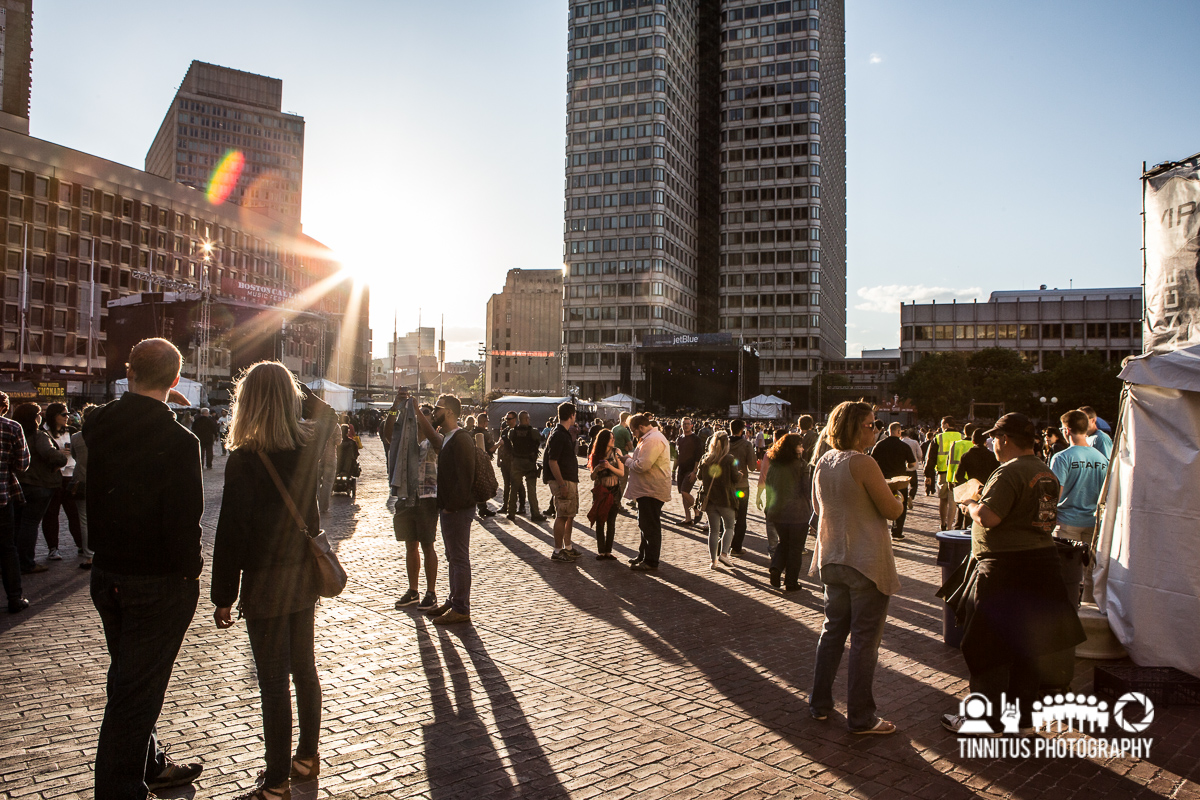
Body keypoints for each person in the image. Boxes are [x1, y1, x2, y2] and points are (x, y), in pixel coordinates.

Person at [85, 338, 205, 797]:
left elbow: (107, 412)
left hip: (108, 573)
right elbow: (185, 521)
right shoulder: (178, 440)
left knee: (131, 677)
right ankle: (120, 788)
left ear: (129, 371)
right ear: (175, 381)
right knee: (135, 693)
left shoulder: (99, 423)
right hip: (157, 581)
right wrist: (190, 572)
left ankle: (150, 762)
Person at [212, 362, 332, 799]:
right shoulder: (306, 444)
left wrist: (223, 594)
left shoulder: (245, 459)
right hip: (304, 575)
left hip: (264, 579)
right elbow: (328, 414)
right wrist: (292, 387)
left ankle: (276, 779)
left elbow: (231, 532)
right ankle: (306, 757)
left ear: (247, 402)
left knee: (273, 681)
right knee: (304, 668)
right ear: (289, 399)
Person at [941, 413, 1086, 736]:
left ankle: (985, 720)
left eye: (995, 438)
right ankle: (1023, 720)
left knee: (986, 644)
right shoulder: (1044, 470)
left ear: (1004, 439)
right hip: (1041, 563)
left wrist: (969, 503)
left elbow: (990, 517)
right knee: (1027, 644)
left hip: (1005, 567)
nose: (992, 443)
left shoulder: (1009, 472)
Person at [810, 401, 904, 735]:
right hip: (864, 559)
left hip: (832, 556)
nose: (875, 429)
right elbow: (891, 510)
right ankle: (861, 716)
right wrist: (899, 495)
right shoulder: (864, 462)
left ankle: (819, 703)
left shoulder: (823, 461)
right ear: (854, 427)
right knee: (865, 641)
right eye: (870, 424)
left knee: (832, 632)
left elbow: (818, 507)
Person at [423, 394, 476, 625]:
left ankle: (461, 607)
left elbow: (465, 478)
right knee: (452, 557)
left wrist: (451, 507)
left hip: (457, 510)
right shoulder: (448, 438)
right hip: (449, 508)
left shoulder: (461, 438)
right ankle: (454, 600)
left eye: (438, 408)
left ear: (450, 412)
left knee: (459, 558)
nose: (435, 412)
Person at [1050, 409, 1109, 604]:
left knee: (1064, 574)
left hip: (1067, 522)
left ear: (1066, 430)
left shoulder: (1062, 457)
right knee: (1090, 572)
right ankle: (1089, 610)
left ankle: (1065, 613)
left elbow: (1053, 495)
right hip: (1093, 523)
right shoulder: (1102, 459)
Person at [13, 403, 66, 574]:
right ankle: (26, 562)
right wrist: (61, 460)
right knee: (30, 524)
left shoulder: (15, 433)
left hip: (19, 484)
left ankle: (14, 560)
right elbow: (50, 454)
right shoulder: (38, 436)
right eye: (38, 414)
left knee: (18, 524)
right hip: (39, 484)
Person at [763, 432, 812, 590]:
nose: (802, 448)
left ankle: (776, 568)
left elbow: (769, 487)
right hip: (798, 513)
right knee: (796, 548)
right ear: (793, 447)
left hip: (777, 511)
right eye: (800, 445)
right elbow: (806, 489)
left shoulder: (775, 464)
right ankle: (791, 582)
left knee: (783, 543)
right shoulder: (802, 465)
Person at [625, 414, 671, 572]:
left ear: (641, 427)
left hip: (651, 490)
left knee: (650, 525)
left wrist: (627, 460)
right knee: (644, 523)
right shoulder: (649, 438)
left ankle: (651, 561)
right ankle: (643, 555)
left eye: (634, 431)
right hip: (647, 489)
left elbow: (643, 465)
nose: (633, 434)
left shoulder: (653, 439)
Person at [39, 402, 84, 563]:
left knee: (74, 513)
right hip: (54, 478)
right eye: (64, 414)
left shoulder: (72, 431)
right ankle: (53, 548)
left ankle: (81, 544)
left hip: (71, 477)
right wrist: (57, 453)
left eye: (68, 414)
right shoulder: (43, 433)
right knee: (51, 514)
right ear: (54, 416)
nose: (67, 417)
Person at [0, 391, 30, 611]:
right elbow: (22, 463)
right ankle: (14, 598)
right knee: (7, 548)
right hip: (2, 497)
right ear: (4, 407)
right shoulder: (12, 428)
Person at [544, 402, 581, 562]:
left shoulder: (562, 433)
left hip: (568, 479)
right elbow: (553, 461)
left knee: (569, 514)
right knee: (562, 515)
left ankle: (568, 547)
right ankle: (558, 550)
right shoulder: (558, 434)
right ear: (571, 415)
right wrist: (562, 484)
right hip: (563, 480)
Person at [869, 423, 916, 541]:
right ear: (899, 432)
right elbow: (912, 463)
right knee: (901, 505)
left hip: (883, 479)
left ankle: (878, 530)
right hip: (899, 480)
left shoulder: (880, 445)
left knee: (879, 504)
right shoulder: (904, 446)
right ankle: (897, 531)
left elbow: (872, 460)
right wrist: (907, 465)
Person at [698, 430, 737, 570]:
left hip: (710, 500)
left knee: (714, 531)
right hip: (725, 499)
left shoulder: (706, 458)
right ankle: (724, 554)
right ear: (727, 443)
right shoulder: (729, 459)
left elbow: (699, 477)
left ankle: (713, 561)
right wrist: (739, 474)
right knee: (729, 527)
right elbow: (735, 478)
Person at [587, 428, 623, 559]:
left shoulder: (616, 452)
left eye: (613, 437)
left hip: (613, 492)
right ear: (603, 440)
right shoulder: (596, 454)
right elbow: (592, 477)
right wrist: (596, 469)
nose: (613, 439)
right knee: (600, 521)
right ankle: (601, 551)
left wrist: (609, 467)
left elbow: (622, 473)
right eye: (610, 438)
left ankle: (609, 551)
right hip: (601, 492)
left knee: (611, 522)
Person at [70, 405, 97, 570]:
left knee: (84, 520)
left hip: (81, 480)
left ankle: (89, 555)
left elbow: (74, 456)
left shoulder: (76, 437)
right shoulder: (106, 436)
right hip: (102, 482)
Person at [506, 411, 546, 522]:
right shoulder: (532, 432)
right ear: (527, 419)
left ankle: (511, 512)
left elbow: (510, 441)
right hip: (529, 462)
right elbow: (540, 440)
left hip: (517, 462)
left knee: (513, 488)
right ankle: (535, 513)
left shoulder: (513, 432)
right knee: (531, 490)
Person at [926, 417, 963, 530]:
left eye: (942, 424)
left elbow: (931, 457)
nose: (941, 427)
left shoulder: (939, 437)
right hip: (957, 473)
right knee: (953, 502)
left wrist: (928, 474)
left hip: (942, 472)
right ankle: (950, 526)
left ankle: (943, 523)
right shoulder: (961, 437)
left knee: (943, 500)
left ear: (946, 425)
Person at [726, 419, 756, 554]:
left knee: (726, 515)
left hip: (726, 485)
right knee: (741, 516)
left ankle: (724, 545)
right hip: (741, 486)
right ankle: (736, 547)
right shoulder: (746, 445)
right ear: (742, 429)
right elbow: (753, 467)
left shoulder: (724, 443)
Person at [675, 418, 702, 525]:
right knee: (683, 494)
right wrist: (673, 469)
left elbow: (698, 456)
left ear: (691, 425)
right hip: (681, 469)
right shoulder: (680, 439)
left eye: (687, 424)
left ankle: (697, 509)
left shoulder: (696, 439)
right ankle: (688, 518)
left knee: (684, 491)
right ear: (681, 425)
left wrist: (695, 471)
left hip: (691, 470)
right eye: (684, 424)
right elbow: (677, 456)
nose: (685, 426)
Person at [474, 412, 498, 517]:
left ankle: (479, 507)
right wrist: (500, 444)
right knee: (484, 484)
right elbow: (491, 449)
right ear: (484, 422)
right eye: (487, 421)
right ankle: (482, 508)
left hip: (472, 461)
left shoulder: (471, 432)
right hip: (483, 462)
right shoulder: (485, 434)